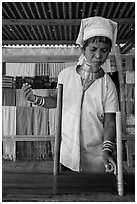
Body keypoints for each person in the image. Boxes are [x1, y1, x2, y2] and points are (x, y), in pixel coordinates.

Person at [22, 16, 119, 174]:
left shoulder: (108, 85)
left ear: (109, 52)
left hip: (97, 157)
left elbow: (109, 122)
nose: (98, 55)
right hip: (67, 154)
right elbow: (56, 101)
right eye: (93, 49)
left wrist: (107, 148)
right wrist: (35, 99)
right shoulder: (65, 76)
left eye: (104, 50)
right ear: (83, 48)